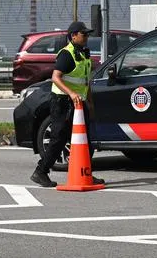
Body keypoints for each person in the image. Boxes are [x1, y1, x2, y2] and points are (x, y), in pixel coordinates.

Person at [31, 21, 103, 188]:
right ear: (73, 36)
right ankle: (41, 171)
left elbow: (85, 80)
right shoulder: (67, 54)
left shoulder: (84, 52)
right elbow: (56, 77)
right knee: (58, 139)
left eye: (87, 34)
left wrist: (90, 102)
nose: (87, 37)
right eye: (84, 34)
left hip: (80, 102)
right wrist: (71, 93)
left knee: (86, 140)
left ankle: (84, 172)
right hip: (63, 101)